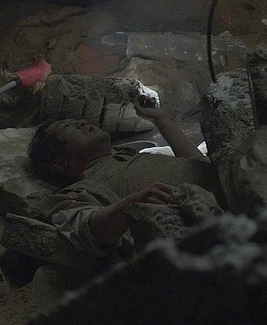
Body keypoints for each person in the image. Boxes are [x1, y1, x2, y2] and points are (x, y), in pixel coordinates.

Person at [28, 98, 224, 257]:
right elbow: (88, 229)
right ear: (61, 162)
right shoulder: (82, 189)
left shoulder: (128, 158)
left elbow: (198, 164)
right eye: (68, 126)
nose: (82, 122)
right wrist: (131, 204)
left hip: (226, 180)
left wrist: (162, 121)